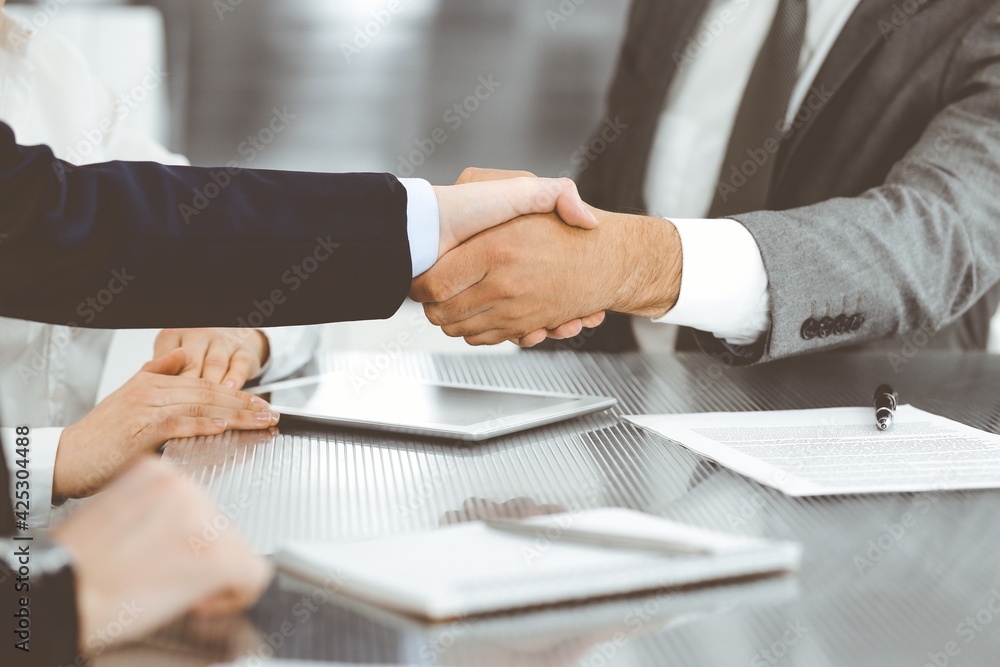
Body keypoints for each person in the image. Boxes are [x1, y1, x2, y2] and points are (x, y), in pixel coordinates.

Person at [412, 0, 1000, 364]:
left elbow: (935, 237)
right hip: (624, 454)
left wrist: (635, 264)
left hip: (854, 481)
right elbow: (605, 203)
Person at [0, 4, 322, 526]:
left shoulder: (57, 75)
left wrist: (241, 328)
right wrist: (60, 457)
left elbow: (248, 239)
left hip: (66, 567)